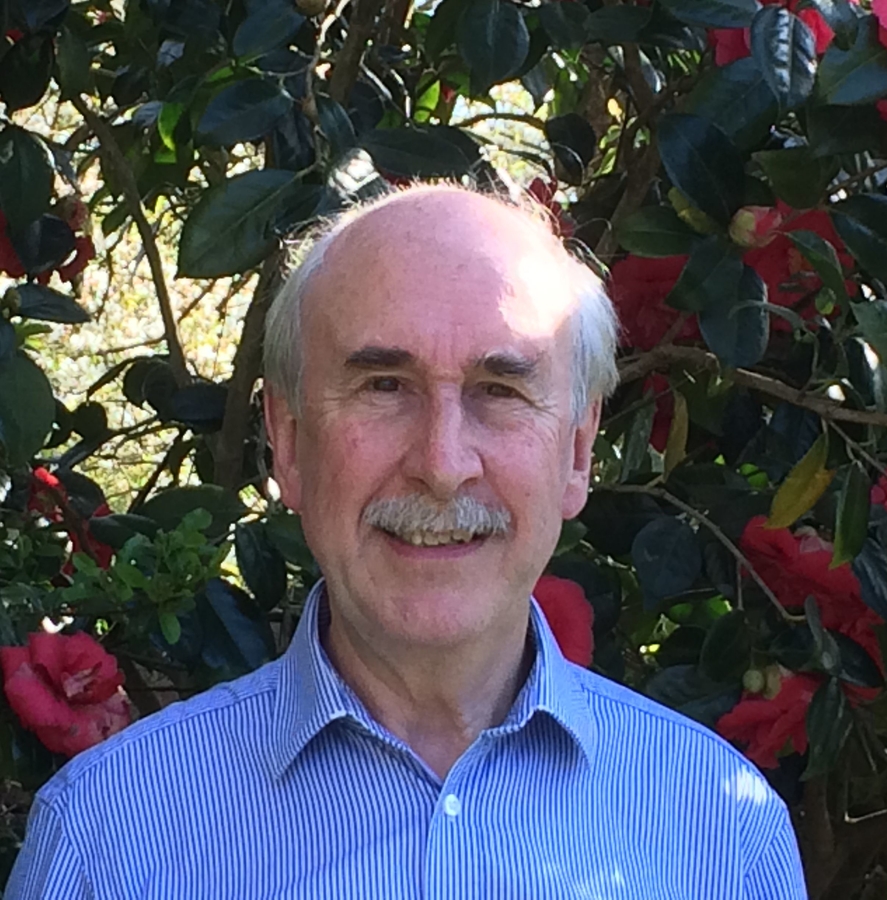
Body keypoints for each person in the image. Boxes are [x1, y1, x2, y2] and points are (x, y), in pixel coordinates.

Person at [6, 185, 807, 898]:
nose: (443, 465)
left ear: (576, 451)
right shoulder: (108, 841)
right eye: (384, 386)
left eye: (500, 390)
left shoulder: (723, 835)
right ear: (289, 440)